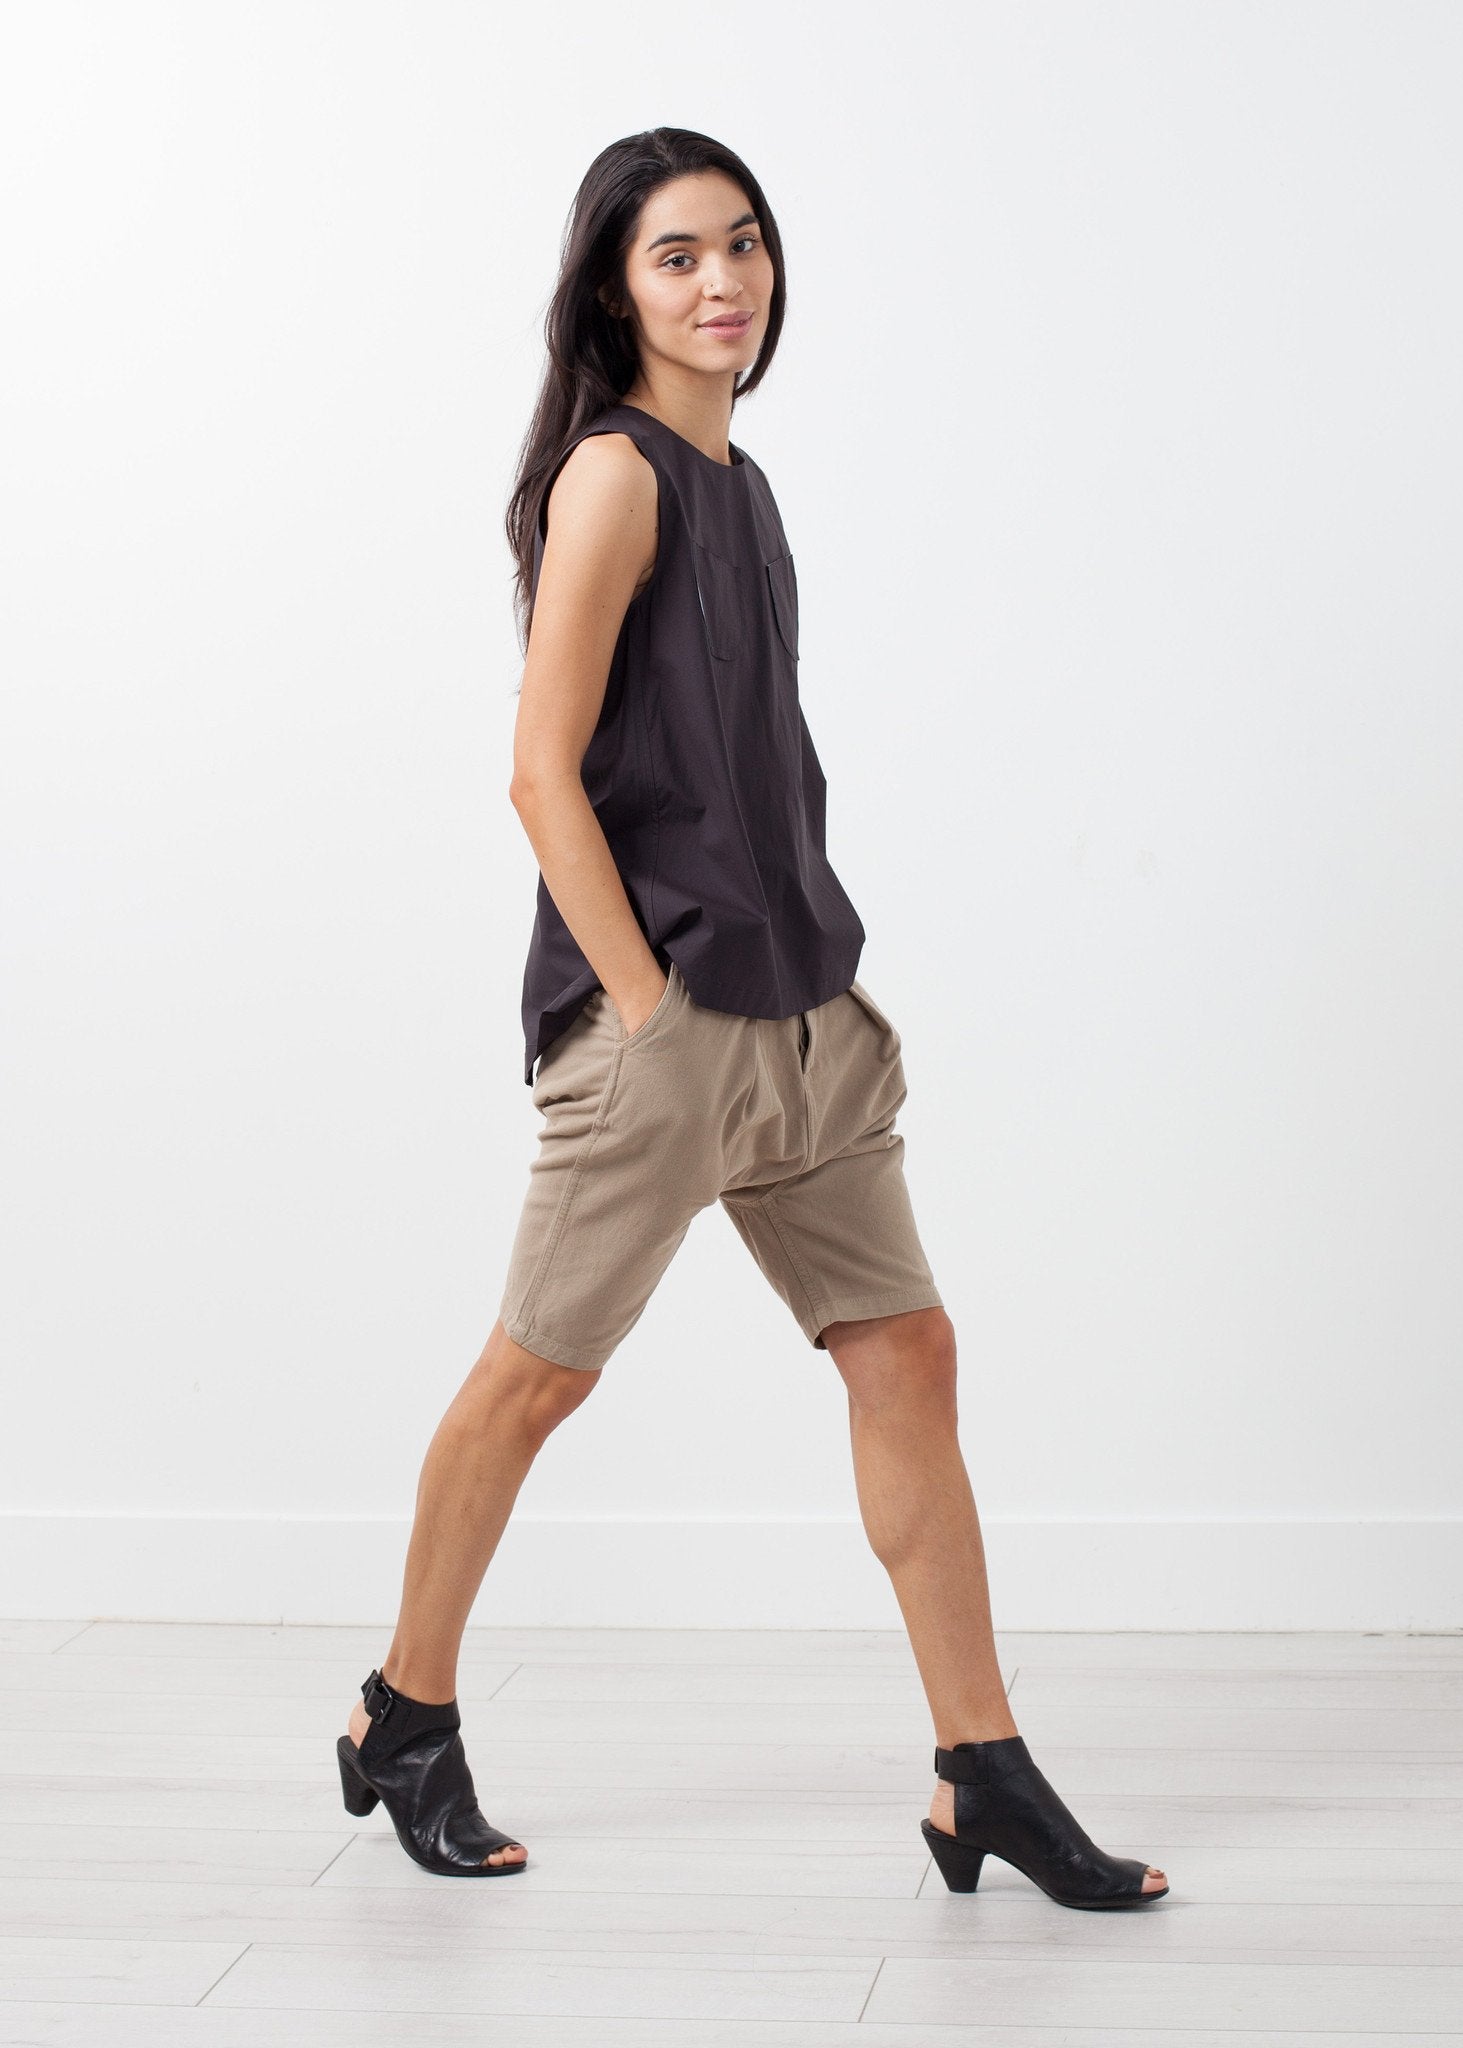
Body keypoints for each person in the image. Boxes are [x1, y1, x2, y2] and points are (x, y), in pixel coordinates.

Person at [335, 126, 1170, 1908]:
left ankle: (981, 1769)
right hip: (672, 1026)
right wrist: (647, 1014)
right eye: (678, 257)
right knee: (535, 1380)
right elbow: (539, 772)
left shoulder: (747, 485)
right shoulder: (613, 479)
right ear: (613, 293)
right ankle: (403, 1714)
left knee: (908, 1354)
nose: (724, 283)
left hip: (806, 1019)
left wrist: (806, 998)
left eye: (744, 245)